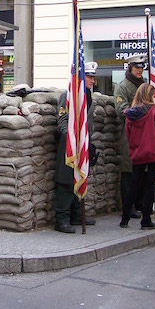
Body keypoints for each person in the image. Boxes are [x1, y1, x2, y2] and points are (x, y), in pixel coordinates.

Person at [54, 61, 98, 233]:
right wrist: (75, 140)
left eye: (93, 77)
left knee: (79, 178)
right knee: (65, 182)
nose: (92, 80)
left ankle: (76, 214)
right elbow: (62, 122)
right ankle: (61, 219)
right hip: (69, 147)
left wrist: (88, 143)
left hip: (83, 146)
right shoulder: (68, 97)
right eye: (89, 76)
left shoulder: (88, 97)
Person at [121, 83, 155, 230]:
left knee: (133, 185)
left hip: (137, 154)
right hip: (154, 153)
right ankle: (146, 220)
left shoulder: (130, 114)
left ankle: (125, 218)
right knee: (149, 187)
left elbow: (128, 134)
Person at [114, 53, 147, 220]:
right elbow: (122, 111)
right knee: (129, 170)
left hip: (145, 134)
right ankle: (129, 204)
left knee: (144, 170)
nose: (140, 70)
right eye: (137, 67)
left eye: (142, 67)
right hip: (129, 133)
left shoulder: (145, 86)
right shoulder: (122, 87)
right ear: (130, 68)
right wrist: (143, 113)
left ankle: (141, 202)